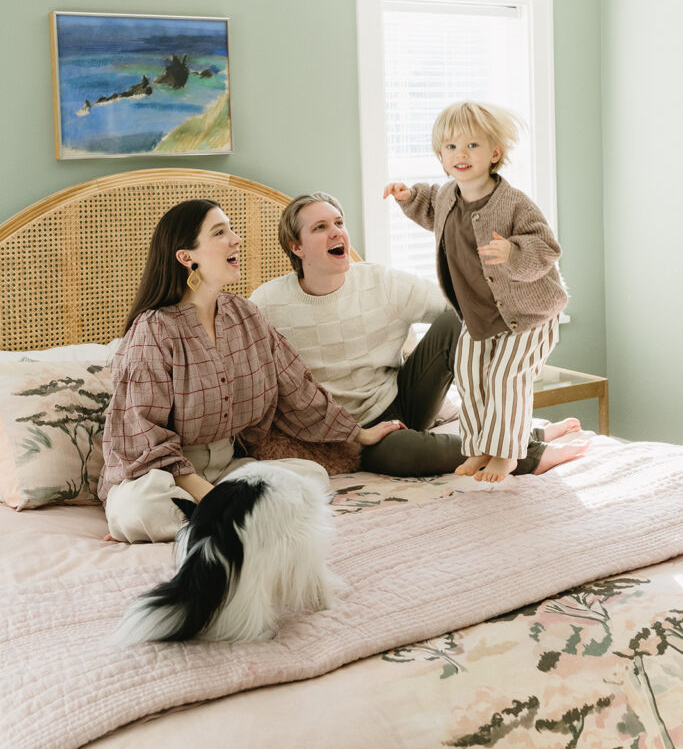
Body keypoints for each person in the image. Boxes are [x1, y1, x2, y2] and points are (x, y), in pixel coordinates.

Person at [97, 199, 400, 543]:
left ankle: (211, 523)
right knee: (141, 508)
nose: (236, 239)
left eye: (231, 229)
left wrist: (359, 433)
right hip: (163, 477)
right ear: (187, 257)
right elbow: (143, 435)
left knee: (311, 476)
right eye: (220, 232)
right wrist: (206, 495)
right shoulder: (153, 329)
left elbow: (297, 388)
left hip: (228, 472)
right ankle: (233, 521)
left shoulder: (245, 314)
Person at [250, 192, 586, 478]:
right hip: (349, 434)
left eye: (339, 222)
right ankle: (529, 448)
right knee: (404, 455)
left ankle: (509, 437)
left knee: (457, 321)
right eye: (320, 227)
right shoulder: (267, 303)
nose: (336, 232)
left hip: (402, 400)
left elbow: (457, 307)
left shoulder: (381, 281)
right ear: (296, 247)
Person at [385, 100, 573, 484]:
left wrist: (512, 252)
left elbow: (546, 248)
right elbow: (431, 210)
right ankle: (481, 447)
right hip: (477, 314)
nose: (461, 154)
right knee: (470, 376)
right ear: (440, 156)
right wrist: (408, 198)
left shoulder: (513, 202)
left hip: (527, 315)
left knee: (506, 377)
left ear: (494, 153)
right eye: (451, 147)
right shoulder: (446, 197)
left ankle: (507, 453)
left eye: (472, 145)